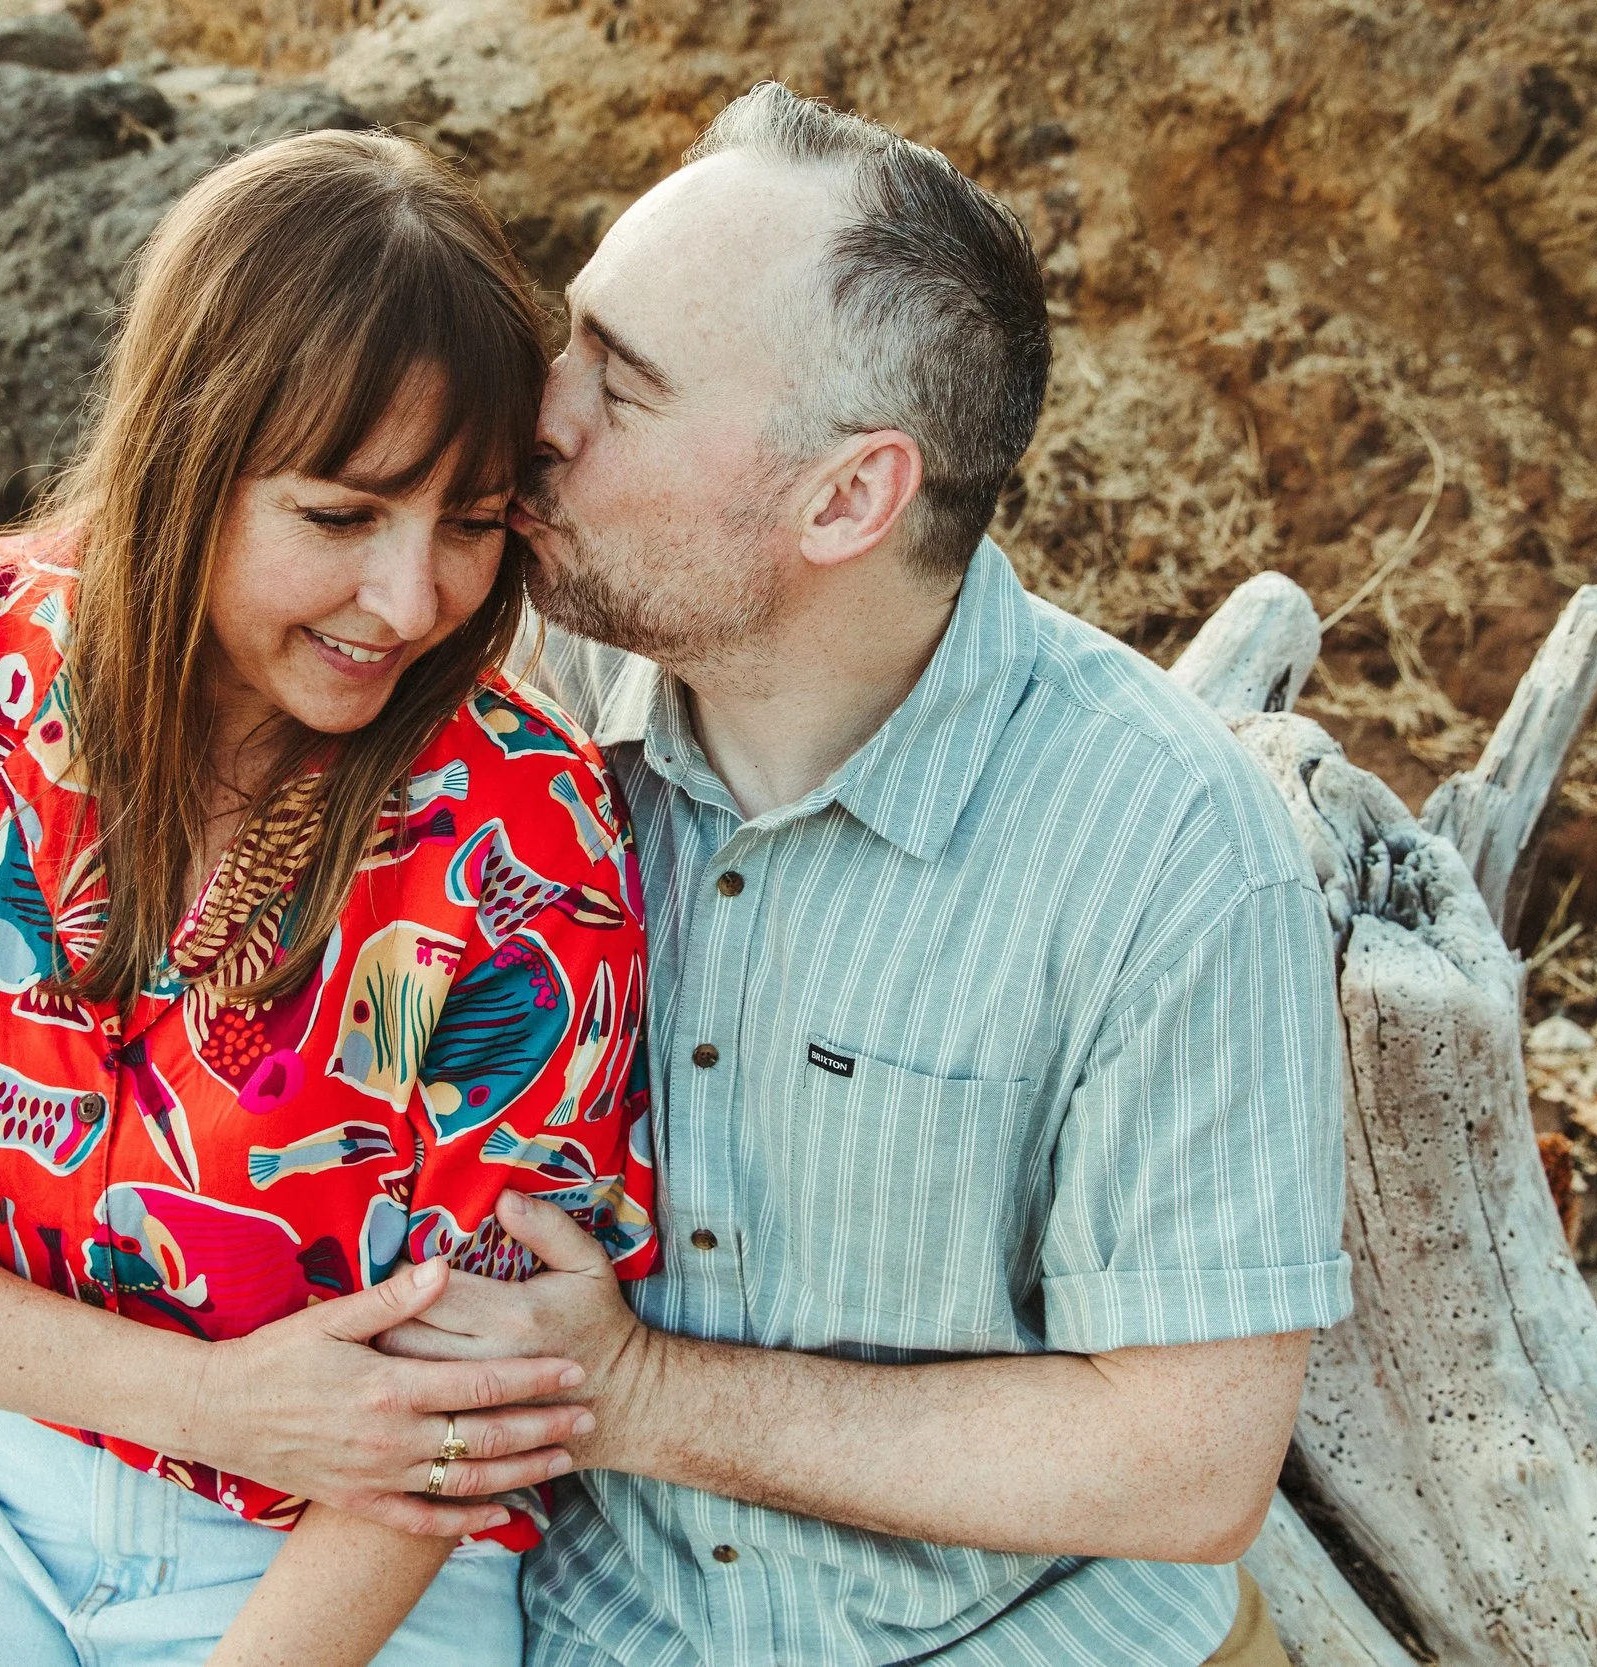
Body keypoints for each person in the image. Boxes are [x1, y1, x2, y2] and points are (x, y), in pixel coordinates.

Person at [381, 84, 1352, 1665]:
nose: (537, 408)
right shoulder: (491, 680)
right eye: (574, 336)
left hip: (1022, 1636)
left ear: (850, 498)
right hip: (570, 1627)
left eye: (621, 387)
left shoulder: (1165, 849)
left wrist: (632, 1392)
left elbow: (1185, 1461)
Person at [0, 129, 657, 1667]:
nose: (413, 601)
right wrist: (197, 1399)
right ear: (183, 459)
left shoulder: (531, 831)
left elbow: (474, 1396)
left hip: (341, 1549)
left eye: (469, 523)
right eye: (341, 516)